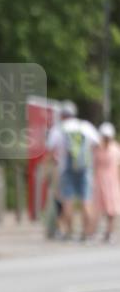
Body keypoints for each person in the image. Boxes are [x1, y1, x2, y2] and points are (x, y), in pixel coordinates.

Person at [45, 101, 100, 241]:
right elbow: (97, 145)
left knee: (67, 202)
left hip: (66, 169)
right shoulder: (85, 126)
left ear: (62, 115)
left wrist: (48, 167)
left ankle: (69, 233)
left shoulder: (58, 129)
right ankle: (88, 234)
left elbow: (50, 151)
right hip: (85, 168)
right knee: (86, 201)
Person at [93, 122, 120, 242]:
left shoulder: (104, 148)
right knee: (104, 208)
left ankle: (106, 232)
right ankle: (101, 231)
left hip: (106, 180)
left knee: (107, 208)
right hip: (105, 180)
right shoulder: (111, 148)